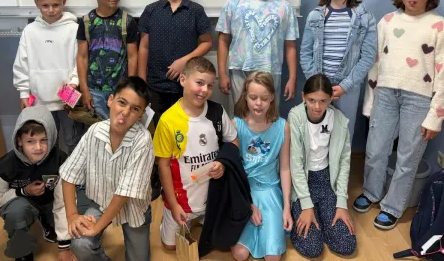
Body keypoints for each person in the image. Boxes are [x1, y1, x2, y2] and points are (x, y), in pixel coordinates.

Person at [354, 0, 444, 230]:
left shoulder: (438, 26)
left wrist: (435, 117)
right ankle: (371, 192)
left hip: (419, 99)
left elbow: (442, 74)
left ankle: (393, 206)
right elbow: (375, 63)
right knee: (375, 150)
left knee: (407, 157)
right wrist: (370, 102)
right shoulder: (387, 22)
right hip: (385, 93)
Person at [60, 76, 154, 261]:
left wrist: (97, 227)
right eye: (122, 102)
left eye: (135, 109)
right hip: (101, 201)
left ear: (141, 115)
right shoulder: (94, 131)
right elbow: (68, 175)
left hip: (133, 208)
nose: (125, 112)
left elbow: (124, 194)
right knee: (80, 243)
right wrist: (72, 215)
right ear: (110, 100)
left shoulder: (143, 141)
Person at [153, 56, 238, 251]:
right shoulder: (167, 120)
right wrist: (173, 204)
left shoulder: (217, 112)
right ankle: (173, 217)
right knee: (169, 247)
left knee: (223, 244)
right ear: (183, 79)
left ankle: (202, 216)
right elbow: (163, 165)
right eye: (199, 83)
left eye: (210, 85)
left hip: (213, 196)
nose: (205, 90)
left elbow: (233, 141)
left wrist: (223, 163)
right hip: (181, 200)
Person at [300, 0, 377, 141]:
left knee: (343, 136)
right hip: (319, 86)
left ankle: (339, 162)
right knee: (315, 136)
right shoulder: (315, 16)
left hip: (348, 87)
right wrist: (318, 84)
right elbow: (305, 53)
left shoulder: (365, 18)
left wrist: (345, 85)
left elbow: (368, 57)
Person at [217, 0, 299, 107]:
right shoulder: (233, 4)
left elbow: (290, 45)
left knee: (268, 115)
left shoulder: (285, 8)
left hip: (271, 72)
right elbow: (223, 40)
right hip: (239, 70)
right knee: (240, 116)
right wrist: (222, 74)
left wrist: (292, 78)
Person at [138, 0, 212, 126]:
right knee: (158, 130)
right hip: (155, 86)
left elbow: (207, 42)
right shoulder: (151, 10)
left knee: (185, 129)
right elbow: (144, 47)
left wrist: (185, 61)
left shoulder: (196, 11)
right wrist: (142, 81)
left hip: (187, 85)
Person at [0, 105, 75, 261]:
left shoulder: (61, 160)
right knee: (16, 213)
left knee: (76, 217)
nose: (38, 147)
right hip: (22, 202)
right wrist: (24, 191)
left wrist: (64, 247)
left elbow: (63, 202)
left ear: (52, 138)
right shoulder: (5, 165)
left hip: (51, 201)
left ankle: (47, 221)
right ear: (19, 141)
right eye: (30, 141)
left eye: (44, 140)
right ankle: (22, 252)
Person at [289, 74, 356, 258]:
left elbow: (344, 163)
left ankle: (324, 220)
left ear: (331, 99)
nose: (317, 107)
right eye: (312, 100)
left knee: (346, 244)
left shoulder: (339, 120)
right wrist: (306, 205)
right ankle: (313, 218)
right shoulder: (296, 117)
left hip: (327, 182)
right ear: (303, 97)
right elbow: (295, 164)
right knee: (312, 248)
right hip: (303, 182)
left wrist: (341, 203)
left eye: (323, 101)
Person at [13, 0, 84, 154]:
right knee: (47, 143)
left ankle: (75, 172)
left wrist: (74, 83)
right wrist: (23, 93)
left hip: (68, 100)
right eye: (45, 6)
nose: (51, 10)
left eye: (56, 5)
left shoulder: (74, 29)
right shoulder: (30, 31)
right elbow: (21, 63)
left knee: (74, 141)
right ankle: (52, 171)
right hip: (40, 101)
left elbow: (80, 61)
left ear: (64, 2)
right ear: (36, 3)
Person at [231, 72, 293, 261]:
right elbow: (233, 171)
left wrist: (287, 208)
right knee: (240, 254)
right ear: (245, 96)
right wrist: (248, 205)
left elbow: (285, 169)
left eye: (264, 98)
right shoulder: (236, 125)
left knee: (272, 257)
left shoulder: (282, 127)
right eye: (253, 97)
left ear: (272, 98)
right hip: (244, 193)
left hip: (270, 192)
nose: (258, 103)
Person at [77, 0, 139, 120]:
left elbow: (132, 56)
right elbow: (82, 57)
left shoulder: (127, 21)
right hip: (94, 90)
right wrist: (84, 89)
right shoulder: (86, 22)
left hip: (119, 90)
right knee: (98, 130)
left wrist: (129, 88)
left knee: (120, 127)